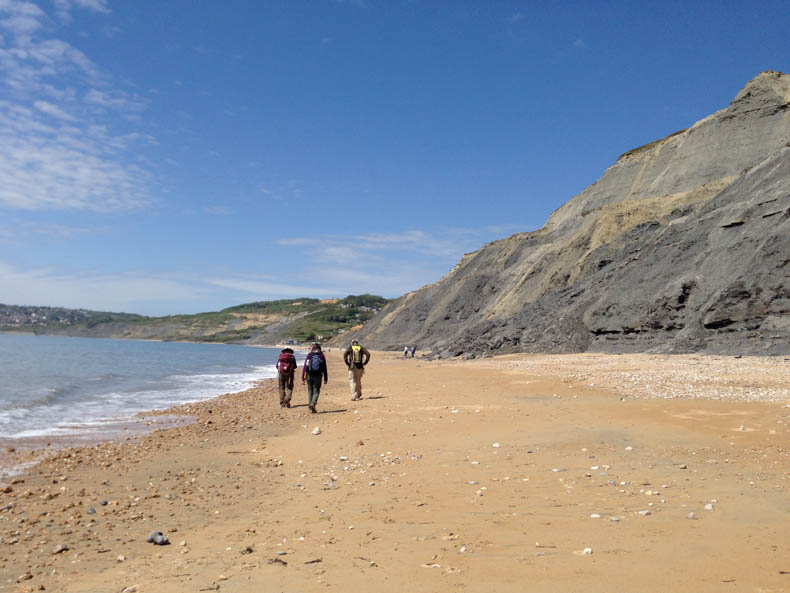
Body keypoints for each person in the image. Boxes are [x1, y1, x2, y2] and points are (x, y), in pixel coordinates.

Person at [302, 343, 328, 413]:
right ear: (320, 348)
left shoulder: (309, 355)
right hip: (318, 375)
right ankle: (313, 403)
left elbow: (305, 367)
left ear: (312, 348)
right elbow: (324, 368)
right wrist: (326, 378)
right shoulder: (321, 355)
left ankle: (311, 408)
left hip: (309, 375)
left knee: (310, 391)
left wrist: (303, 378)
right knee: (316, 391)